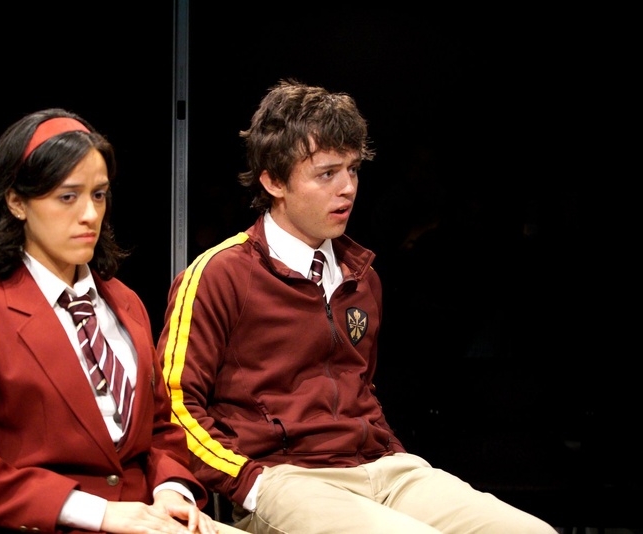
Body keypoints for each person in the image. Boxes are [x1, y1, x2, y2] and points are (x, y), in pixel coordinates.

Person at [156, 80, 558, 533]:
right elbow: (174, 407)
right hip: (286, 477)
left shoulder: (360, 275)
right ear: (273, 181)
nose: (348, 188)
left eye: (353, 170)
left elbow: (358, 389)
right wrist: (249, 483)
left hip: (384, 470)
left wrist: (392, 454)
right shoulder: (219, 273)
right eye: (327, 173)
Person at [0, 108, 246, 534]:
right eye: (68, 196)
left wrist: (173, 488)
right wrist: (99, 513)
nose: (89, 214)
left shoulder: (125, 302)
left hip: (149, 520)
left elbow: (158, 430)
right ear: (16, 202)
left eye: (98, 195)